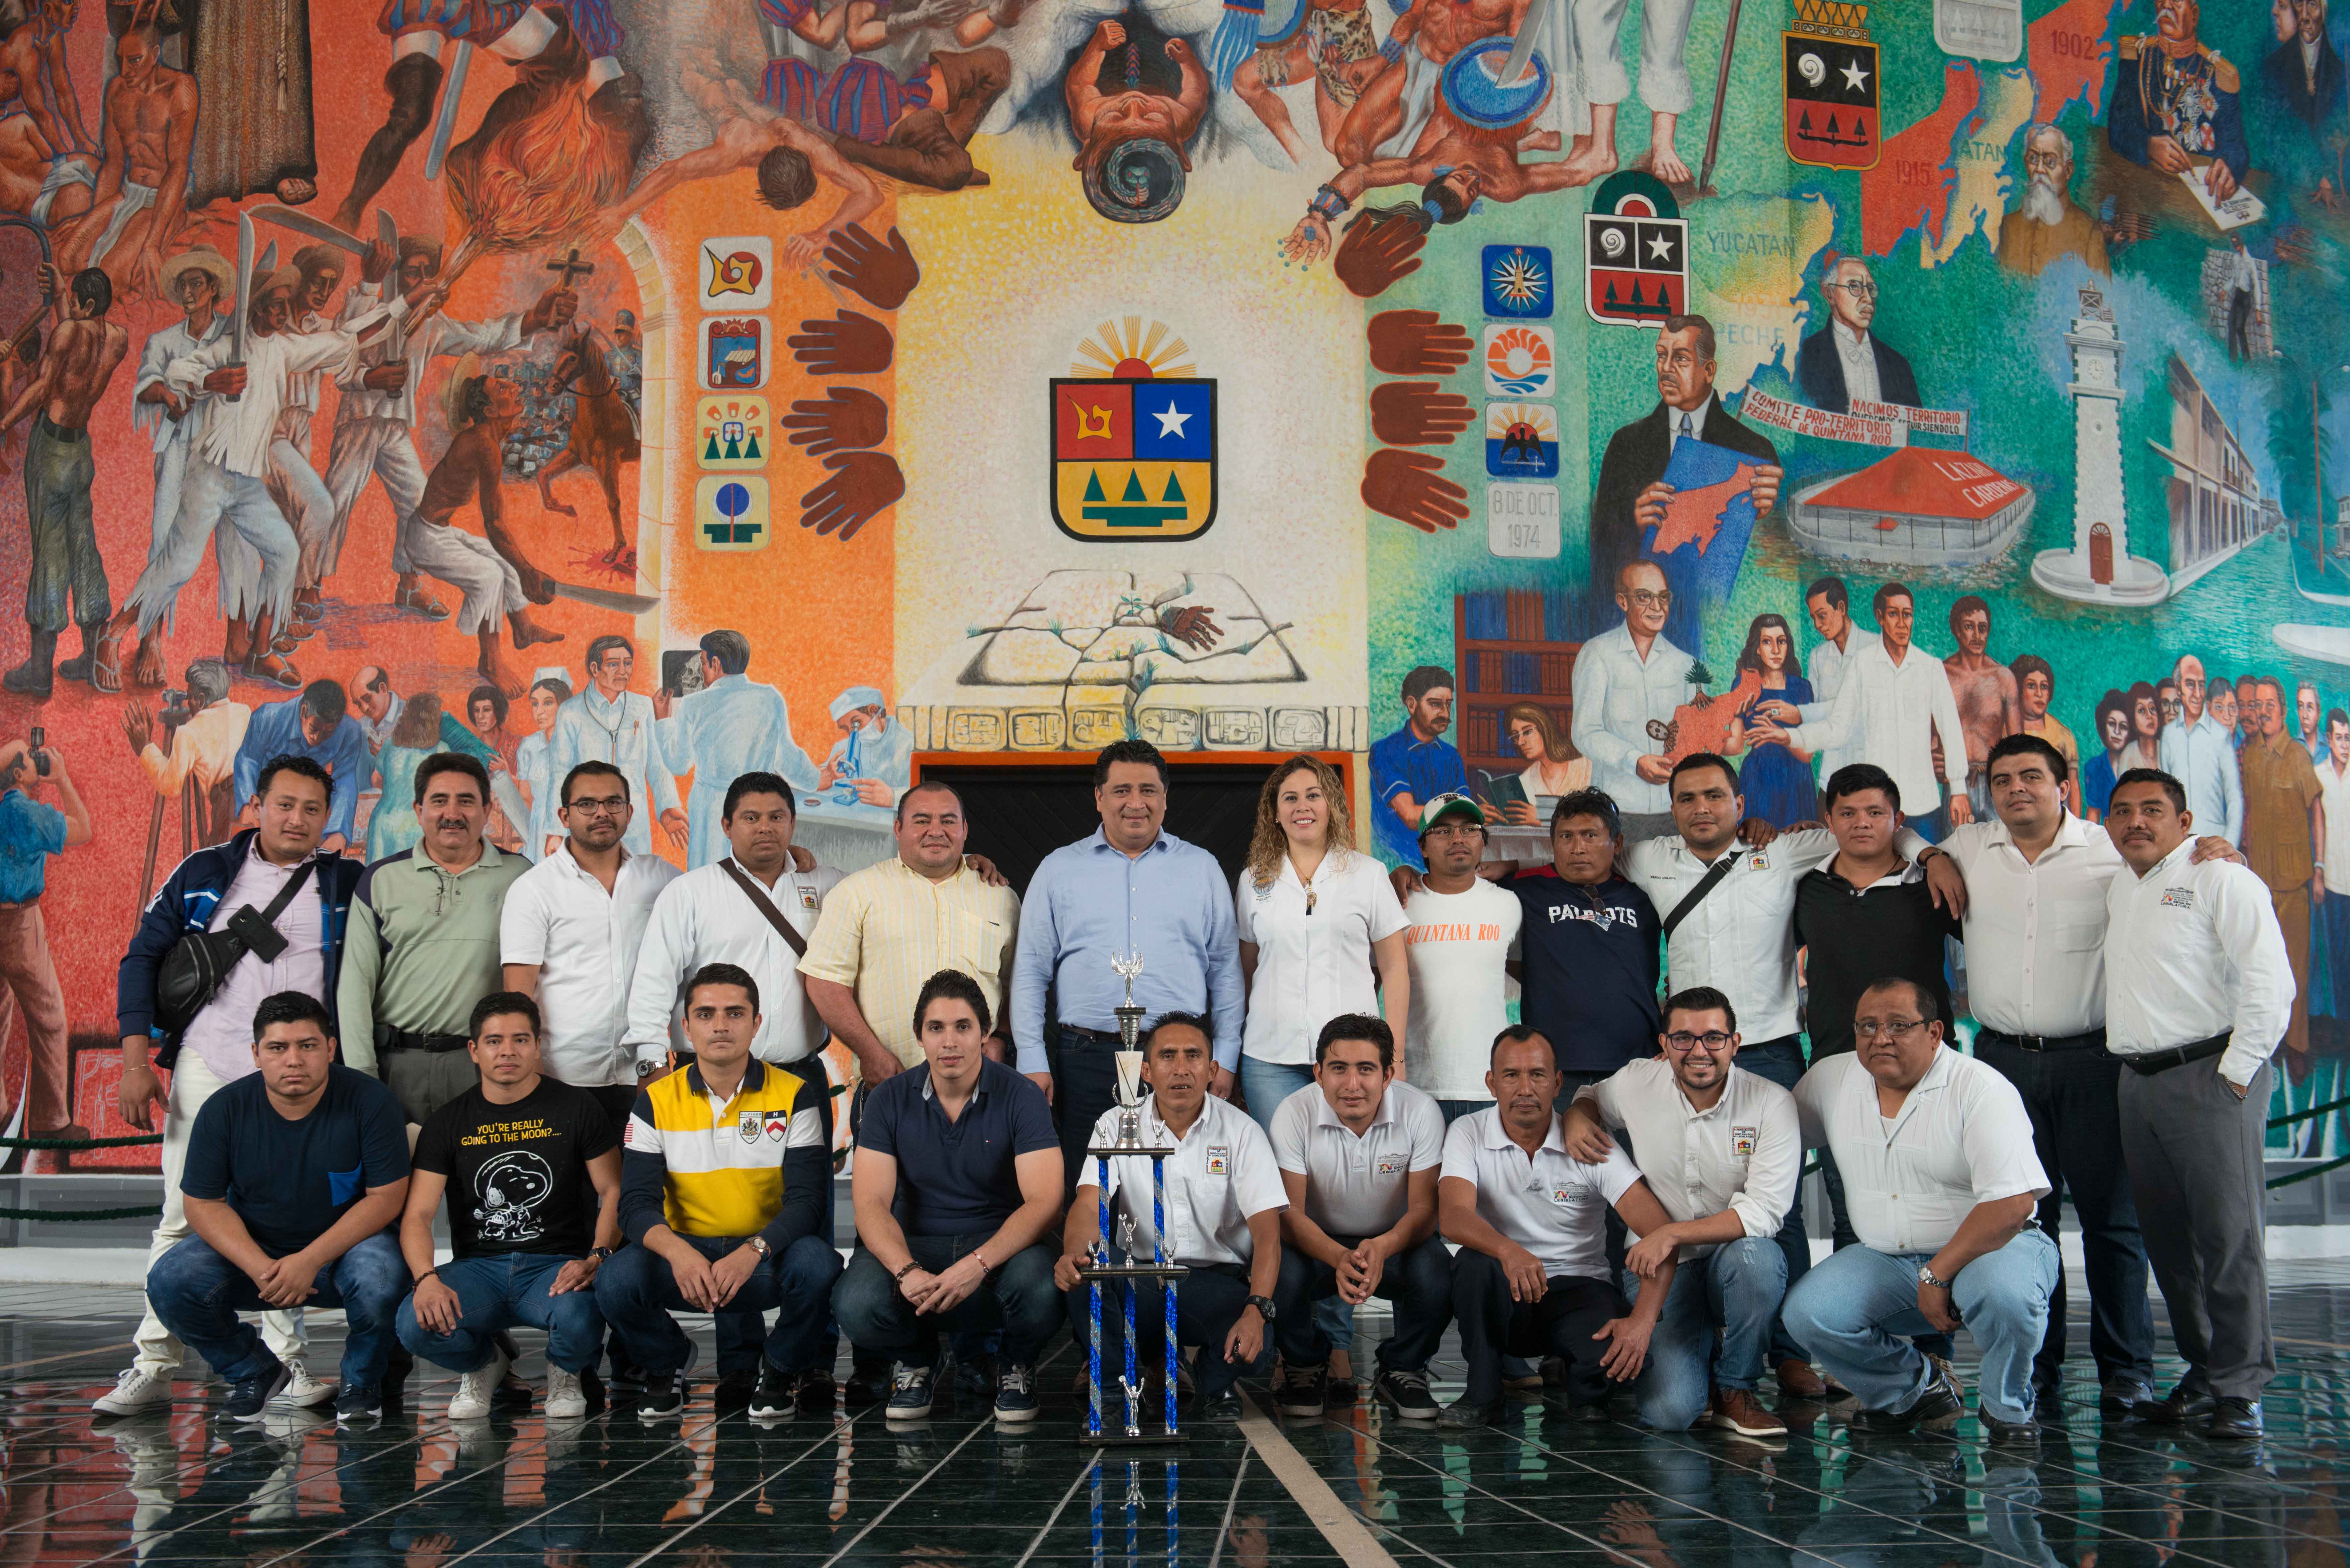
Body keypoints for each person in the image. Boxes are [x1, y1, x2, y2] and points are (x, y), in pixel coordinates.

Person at [1932, 735, 2250, 1411]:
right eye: (2001, 779)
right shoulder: (1967, 847)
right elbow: (1905, 844)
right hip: (2000, 1064)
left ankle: (2126, 1370)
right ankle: (2036, 1365)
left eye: (2030, 776)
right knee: (2022, 1222)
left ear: (2062, 785)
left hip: (2095, 1061)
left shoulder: (2111, 850)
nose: (2015, 788)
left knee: (2113, 1224)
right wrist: (1929, 855)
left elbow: (2185, 869)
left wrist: (2223, 852)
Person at [1621, 751, 1949, 1394]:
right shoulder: (1647, 858)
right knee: (1678, 1186)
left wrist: (1931, 855)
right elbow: (1575, 854)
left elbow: (1876, 828)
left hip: (1769, 1053)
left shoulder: (1783, 851)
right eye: (1687, 798)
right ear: (1672, 807)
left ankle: (1791, 1351)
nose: (1701, 808)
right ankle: (1694, 1333)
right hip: (1688, 1057)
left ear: (1740, 804)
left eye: (1714, 796)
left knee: (1784, 1209)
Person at [104, 754, 358, 1418]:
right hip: (210, 1061)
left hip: (300, 1078)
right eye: (285, 804)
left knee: (288, 1219)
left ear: (326, 817)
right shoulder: (205, 872)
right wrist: (136, 1061)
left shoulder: (345, 883)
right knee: (180, 1214)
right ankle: (153, 1364)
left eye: (312, 809)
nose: (297, 819)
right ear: (257, 805)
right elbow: (142, 957)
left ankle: (286, 1364)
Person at [1781, 978, 2058, 1444]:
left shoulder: (1980, 1088)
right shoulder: (1831, 1079)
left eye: (1898, 1025)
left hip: (1992, 1251)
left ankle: (2006, 1408)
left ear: (1934, 1032)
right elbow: (1775, 1134)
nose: (1880, 1038)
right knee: (1808, 1313)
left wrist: (1937, 1273)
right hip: (1885, 1257)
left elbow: (2014, 1204)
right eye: (1867, 1026)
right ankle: (1911, 1390)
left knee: (2006, 1296)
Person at [2103, 768, 2294, 1439]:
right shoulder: (2121, 885)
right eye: (2121, 811)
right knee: (2169, 1241)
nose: (2135, 821)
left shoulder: (2222, 878)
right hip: (2137, 1082)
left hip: (2211, 1074)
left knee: (2227, 1237)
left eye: (2151, 809)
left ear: (2184, 823)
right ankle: (2205, 1368)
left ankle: (2241, 1387)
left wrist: (2235, 1075)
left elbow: (2270, 982)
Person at [144, 991, 412, 1425]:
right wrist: (259, 1267)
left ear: (330, 1048)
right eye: (277, 1047)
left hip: (347, 1250)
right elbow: (202, 1203)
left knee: (385, 1278)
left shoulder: (371, 1100)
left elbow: (386, 1198)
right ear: (256, 1054)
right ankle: (252, 1371)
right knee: (170, 1281)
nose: (294, 1060)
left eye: (308, 1045)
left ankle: (361, 1383)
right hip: (259, 1252)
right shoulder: (225, 1109)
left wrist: (308, 1260)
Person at [594, 963, 842, 1418]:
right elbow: (634, 1206)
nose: (721, 1025)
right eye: (706, 1014)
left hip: (764, 1258)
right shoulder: (654, 1101)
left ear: (756, 1023)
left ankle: (780, 1369)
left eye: (735, 1013)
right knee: (615, 1280)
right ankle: (666, 1363)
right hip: (686, 1258)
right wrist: (679, 1254)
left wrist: (753, 1251)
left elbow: (808, 1203)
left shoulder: (795, 1094)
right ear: (686, 1027)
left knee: (819, 1264)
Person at [1559, 988, 1799, 1438]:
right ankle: (1705, 1353)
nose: (1699, 1051)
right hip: (1661, 1269)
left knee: (1759, 1261)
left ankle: (1736, 1387)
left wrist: (1671, 1233)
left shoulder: (1771, 1102)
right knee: (1670, 1412)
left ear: (1735, 1042)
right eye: (1683, 1038)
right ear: (1664, 1044)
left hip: (1733, 1259)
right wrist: (1576, 1116)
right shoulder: (1638, 1081)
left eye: (1714, 1037)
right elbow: (1591, 1095)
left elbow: (1765, 1211)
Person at [1012, 739, 1244, 1193]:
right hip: (1085, 1059)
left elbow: (1226, 971)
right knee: (1089, 1190)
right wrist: (1032, 1058)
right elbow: (1030, 972)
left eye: (1148, 790)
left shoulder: (1202, 868)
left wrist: (1226, 1056)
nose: (1135, 803)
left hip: (1180, 1058)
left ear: (1165, 798)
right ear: (1099, 797)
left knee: (1178, 1190)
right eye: (1121, 790)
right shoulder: (1058, 869)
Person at [832, 970, 1062, 1421]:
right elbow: (870, 1204)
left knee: (1043, 1289)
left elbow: (1044, 1202)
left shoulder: (1022, 1095)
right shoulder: (887, 1099)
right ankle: (918, 1361)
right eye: (936, 1027)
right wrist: (906, 1270)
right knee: (855, 1303)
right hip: (916, 1245)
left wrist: (977, 1264)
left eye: (963, 1026)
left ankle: (1015, 1364)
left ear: (985, 1033)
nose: (950, 1041)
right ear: (919, 1035)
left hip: (999, 1248)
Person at [1435, 1025, 1681, 1428]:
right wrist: (1509, 1251)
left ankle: (1586, 1393)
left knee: (1612, 1361)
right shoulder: (1468, 1132)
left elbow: (1659, 1231)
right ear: (1492, 1083)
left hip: (1579, 1288)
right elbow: (1453, 1216)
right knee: (1472, 1265)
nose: (1525, 1088)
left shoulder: (1589, 1142)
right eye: (1511, 1075)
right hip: (1507, 1288)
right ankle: (1483, 1392)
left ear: (1557, 1082)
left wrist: (1641, 1322)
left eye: (1537, 1074)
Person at [396, 993, 622, 1421]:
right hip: (477, 1270)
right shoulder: (448, 1121)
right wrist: (426, 1279)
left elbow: (613, 1190)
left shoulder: (577, 1107)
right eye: (494, 1041)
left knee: (583, 1312)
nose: (507, 1051)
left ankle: (565, 1371)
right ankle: (486, 1365)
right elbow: (418, 1215)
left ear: (538, 1046)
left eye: (520, 1040)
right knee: (413, 1322)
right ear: (474, 1050)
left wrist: (597, 1256)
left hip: (555, 1265)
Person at [1054, 1013, 1283, 1421]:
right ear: (1146, 1071)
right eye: (1167, 1056)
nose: (1181, 1068)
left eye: (1193, 1056)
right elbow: (1088, 1204)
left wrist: (1255, 1311)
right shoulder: (1115, 1124)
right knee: (1086, 1269)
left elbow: (1268, 1236)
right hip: (1142, 1280)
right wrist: (1075, 1253)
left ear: (1212, 1069)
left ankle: (1200, 1376)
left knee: (1257, 1347)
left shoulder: (1243, 1132)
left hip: (1213, 1285)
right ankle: (1112, 1394)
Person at [1267, 1014, 1450, 1422]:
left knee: (1439, 1269)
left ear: (1388, 1075)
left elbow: (1425, 1212)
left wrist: (1382, 1246)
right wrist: (1337, 1256)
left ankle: (1403, 1366)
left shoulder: (1421, 1111)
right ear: (1319, 1074)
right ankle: (1305, 1363)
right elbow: (1287, 1214)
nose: (1352, 1084)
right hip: (1315, 1243)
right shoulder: (1293, 1113)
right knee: (1276, 1265)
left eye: (1366, 1069)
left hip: (1395, 1242)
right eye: (1339, 1068)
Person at [337, 752, 529, 1128]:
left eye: (466, 801)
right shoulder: (380, 879)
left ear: (487, 810)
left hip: (484, 1066)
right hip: (395, 1066)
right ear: (418, 810)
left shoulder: (521, 877)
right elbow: (355, 985)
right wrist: (363, 1076)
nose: (452, 813)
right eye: (439, 800)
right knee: (399, 1167)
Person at [800, 779, 1019, 1086]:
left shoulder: (1000, 898)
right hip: (891, 1081)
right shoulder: (858, 892)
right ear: (898, 828)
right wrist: (870, 1052)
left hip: (983, 1083)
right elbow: (825, 983)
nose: (936, 831)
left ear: (965, 830)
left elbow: (1017, 987)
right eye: (922, 820)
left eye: (948, 821)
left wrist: (1001, 1039)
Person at [501, 761, 681, 1127]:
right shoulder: (534, 889)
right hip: (564, 1077)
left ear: (630, 812)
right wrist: (535, 1084)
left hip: (646, 1073)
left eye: (614, 802)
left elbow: (722, 892)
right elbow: (518, 997)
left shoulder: (662, 877)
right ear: (564, 816)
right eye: (587, 804)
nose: (602, 813)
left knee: (643, 1168)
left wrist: (793, 860)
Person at [1588, 316, 1783, 654]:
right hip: (1645, 637)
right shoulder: (1625, 445)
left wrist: (1770, 517)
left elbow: (1777, 576)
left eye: (1680, 358)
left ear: (1709, 371)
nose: (1665, 368)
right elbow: (1600, 553)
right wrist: (1633, 523)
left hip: (1723, 636)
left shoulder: (1756, 452)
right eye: (1661, 356)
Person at [626, 772, 838, 1076]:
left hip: (802, 1076)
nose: (765, 827)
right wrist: (652, 1064)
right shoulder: (689, 893)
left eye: (777, 817)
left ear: (793, 823)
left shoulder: (828, 885)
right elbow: (652, 986)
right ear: (727, 826)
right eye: (751, 818)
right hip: (711, 1076)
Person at [1235, 754, 1409, 1120]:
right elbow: (1247, 972)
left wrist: (1395, 1057)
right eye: (1291, 798)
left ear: (1331, 806)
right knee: (1283, 1157)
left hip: (1353, 1059)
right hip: (1269, 1061)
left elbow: (1395, 970)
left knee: (1349, 1156)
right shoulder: (1253, 880)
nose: (1303, 806)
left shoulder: (1369, 874)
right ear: (1275, 813)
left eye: (1314, 795)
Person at [1, 265, 128, 697]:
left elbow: (44, 387)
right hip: (80, 454)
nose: (70, 305)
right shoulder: (117, 339)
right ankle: (92, 661)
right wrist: (60, 296)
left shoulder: (68, 333)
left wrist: (4, 423)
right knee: (84, 549)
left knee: (50, 555)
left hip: (52, 450)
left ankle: (40, 673)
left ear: (88, 304)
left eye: (75, 299)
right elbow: (77, 345)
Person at [1760, 581, 1972, 839]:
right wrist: (1791, 736)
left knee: (1925, 863)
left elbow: (1950, 729)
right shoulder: (1863, 664)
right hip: (1876, 806)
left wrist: (1959, 789)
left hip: (1922, 803)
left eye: (1907, 615)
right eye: (1894, 614)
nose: (1902, 623)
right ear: (1880, 617)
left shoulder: (1930, 668)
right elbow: (1839, 726)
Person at [1793, 765, 1961, 1069]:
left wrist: (1933, 857)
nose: (1862, 823)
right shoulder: (1807, 887)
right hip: (1833, 1062)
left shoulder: (1931, 884)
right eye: (1847, 813)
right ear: (1829, 821)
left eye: (1875, 813)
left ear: (1898, 820)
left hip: (1923, 1062)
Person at [652, 629, 817, 869]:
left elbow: (678, 764)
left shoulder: (693, 704)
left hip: (710, 806)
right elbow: (787, 758)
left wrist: (663, 722)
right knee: (753, 869)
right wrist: (816, 780)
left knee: (710, 874)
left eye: (703, 663)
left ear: (716, 663)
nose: (702, 670)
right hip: (756, 803)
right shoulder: (770, 697)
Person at [1400, 795, 1520, 1121]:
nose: (1458, 839)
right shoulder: (1399, 902)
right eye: (1443, 831)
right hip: (1416, 1085)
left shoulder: (1509, 904)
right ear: (1423, 847)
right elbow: (1372, 982)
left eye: (1469, 829)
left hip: (1489, 1085)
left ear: (1483, 841)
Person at [0, 734, 88, 1143]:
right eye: (31, 758)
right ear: (19, 774)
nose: (39, 759)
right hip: (20, 924)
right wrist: (63, 778)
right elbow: (83, 829)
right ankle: (51, 1122)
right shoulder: (25, 813)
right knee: (49, 1016)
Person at [1571, 562, 1694, 840]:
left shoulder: (1686, 664)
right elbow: (1584, 732)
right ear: (1622, 601)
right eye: (1644, 597)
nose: (1657, 607)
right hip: (1615, 811)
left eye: (1663, 597)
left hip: (1673, 812)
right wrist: (1634, 761)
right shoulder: (1597, 654)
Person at [2243, 675, 2325, 1066]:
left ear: (2283, 709)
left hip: (2294, 882)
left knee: (2296, 971)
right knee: (2262, 968)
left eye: (2270, 704)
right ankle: (2268, 1043)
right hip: (2260, 880)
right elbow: (2249, 811)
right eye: (2258, 705)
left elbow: (2317, 813)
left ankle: (2298, 1048)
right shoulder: (2252, 755)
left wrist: (2320, 869)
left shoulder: (2297, 755)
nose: (2263, 712)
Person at [548, 636, 685, 857]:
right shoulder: (570, 712)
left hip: (634, 823)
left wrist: (668, 806)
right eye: (613, 664)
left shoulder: (643, 707)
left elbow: (657, 765)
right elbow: (559, 773)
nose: (623, 671)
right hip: (589, 821)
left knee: (636, 876)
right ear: (595, 668)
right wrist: (555, 831)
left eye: (628, 664)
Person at [2108, 0, 2249, 202]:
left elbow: (2236, 146)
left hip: (2203, 196)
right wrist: (2148, 146)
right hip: (2150, 190)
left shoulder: (2218, 74)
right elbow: (2118, 128)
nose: (2166, 6)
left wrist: (2229, 166)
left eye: (2176, 1)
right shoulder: (2138, 59)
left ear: (2194, 15)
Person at [231, 685, 366, 856]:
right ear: (303, 712)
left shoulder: (350, 731)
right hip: (267, 798)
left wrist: (338, 832)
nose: (317, 738)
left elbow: (345, 779)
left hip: (308, 799)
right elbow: (248, 760)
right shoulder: (268, 717)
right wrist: (247, 806)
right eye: (314, 729)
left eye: (327, 734)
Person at [1794, 256, 1922, 415]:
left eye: (1871, 289)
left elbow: (1914, 424)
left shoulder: (1898, 365)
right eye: (1854, 286)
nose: (1868, 299)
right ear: (1829, 294)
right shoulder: (1804, 355)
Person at [1723, 612, 1817, 827]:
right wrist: (1703, 739)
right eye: (1767, 642)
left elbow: (1807, 755)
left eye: (1781, 642)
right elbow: (1736, 745)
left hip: (1796, 781)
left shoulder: (1802, 688)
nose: (1775, 650)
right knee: (1757, 841)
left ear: (1788, 645)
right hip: (1758, 779)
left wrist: (1778, 735)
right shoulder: (1743, 684)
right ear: (1757, 648)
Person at [1369, 666, 1467, 868]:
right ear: (1412, 705)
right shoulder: (1386, 750)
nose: (1445, 713)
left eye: (1449, 704)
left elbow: (1465, 809)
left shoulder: (1451, 756)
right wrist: (1466, 812)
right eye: (1435, 704)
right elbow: (1411, 816)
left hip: (1443, 863)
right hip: (1397, 863)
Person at [1997, 123, 2111, 278]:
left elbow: (2099, 291)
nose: (2039, 169)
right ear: (2026, 163)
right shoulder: (2009, 226)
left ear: (2068, 170)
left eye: (2050, 162)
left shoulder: (2090, 232)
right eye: (2033, 159)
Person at [1942, 596, 2020, 821]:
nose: (1977, 636)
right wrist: (1935, 762)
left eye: (1982, 628)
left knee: (2000, 841)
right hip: (1956, 783)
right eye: (1969, 627)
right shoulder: (1942, 675)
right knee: (1954, 842)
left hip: (1995, 782)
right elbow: (1927, 735)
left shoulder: (2003, 678)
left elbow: (2017, 744)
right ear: (1956, 630)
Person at [2158, 654, 2242, 846]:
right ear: (2178, 687)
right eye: (2190, 684)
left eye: (2201, 685)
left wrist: (2229, 846)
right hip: (2177, 846)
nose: (2197, 693)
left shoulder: (2221, 736)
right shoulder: (2168, 735)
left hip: (2215, 844)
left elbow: (2234, 798)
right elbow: (2164, 795)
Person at [362, 692, 445, 864]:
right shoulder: (442, 750)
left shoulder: (390, 745)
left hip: (383, 822)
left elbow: (376, 780)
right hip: (417, 824)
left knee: (378, 877)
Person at [816, 685, 914, 824]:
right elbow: (816, 777)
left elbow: (928, 795)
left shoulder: (910, 745)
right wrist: (827, 773)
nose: (853, 734)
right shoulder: (843, 747)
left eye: (856, 724)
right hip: (850, 824)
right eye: (846, 728)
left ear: (874, 711)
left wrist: (894, 797)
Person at [1800, 576, 1860, 785]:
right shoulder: (1817, 657)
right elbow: (1814, 716)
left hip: (1869, 777)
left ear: (1841, 608)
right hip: (1831, 776)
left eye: (1822, 616)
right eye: (1813, 618)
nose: (1817, 625)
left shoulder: (1875, 648)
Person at [1495, 703, 1588, 826]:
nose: (1520, 742)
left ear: (1545, 728)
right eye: (1516, 737)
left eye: (1527, 732)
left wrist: (1542, 817)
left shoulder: (1585, 767)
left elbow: (1594, 816)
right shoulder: (1525, 780)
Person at [2011, 654, 2080, 816]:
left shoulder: (2064, 736)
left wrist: (2076, 825)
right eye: (2031, 686)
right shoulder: (2005, 730)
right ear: (2018, 690)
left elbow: (2074, 787)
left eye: (2044, 687)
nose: (2039, 694)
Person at [2266, 0, 2346, 128]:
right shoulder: (2273, 65)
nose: (2304, 16)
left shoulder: (2341, 71)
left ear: (2324, 13)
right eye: (2299, 4)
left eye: (2312, 5)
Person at [518, 672, 570, 862]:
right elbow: (525, 796)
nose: (539, 711)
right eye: (535, 704)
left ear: (563, 706)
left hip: (570, 825)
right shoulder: (528, 747)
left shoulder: (575, 745)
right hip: (538, 828)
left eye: (548, 703)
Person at [2083, 688, 2134, 823]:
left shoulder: (2138, 762)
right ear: (2103, 726)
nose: (2117, 732)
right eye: (2112, 724)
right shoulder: (2095, 768)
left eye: (2123, 727)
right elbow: (2093, 815)